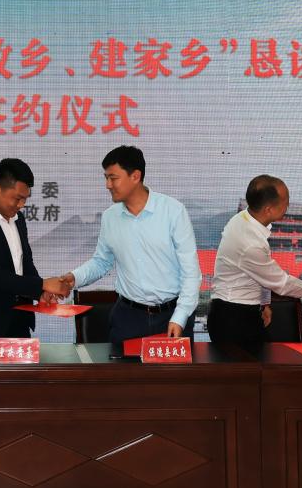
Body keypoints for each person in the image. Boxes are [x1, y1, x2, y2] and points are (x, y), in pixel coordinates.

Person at [61, 146, 201, 343]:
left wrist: (180, 316)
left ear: (135, 176)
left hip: (171, 316)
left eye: (113, 178)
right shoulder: (110, 217)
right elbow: (101, 262)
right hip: (128, 318)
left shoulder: (173, 211)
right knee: (122, 365)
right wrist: (74, 278)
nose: (108, 185)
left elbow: (191, 273)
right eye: (106, 178)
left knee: (172, 366)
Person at [0, 158, 72, 344]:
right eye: (17, 198)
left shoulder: (19, 220)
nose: (21, 205)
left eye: (25, 199)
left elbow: (25, 264)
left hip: (19, 324)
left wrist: (40, 293)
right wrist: (42, 284)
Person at [209, 175, 302, 345]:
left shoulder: (244, 218)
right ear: (269, 209)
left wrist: (264, 303)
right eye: (285, 202)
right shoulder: (249, 243)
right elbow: (281, 283)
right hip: (234, 318)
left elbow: (259, 274)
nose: (288, 205)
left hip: (239, 311)